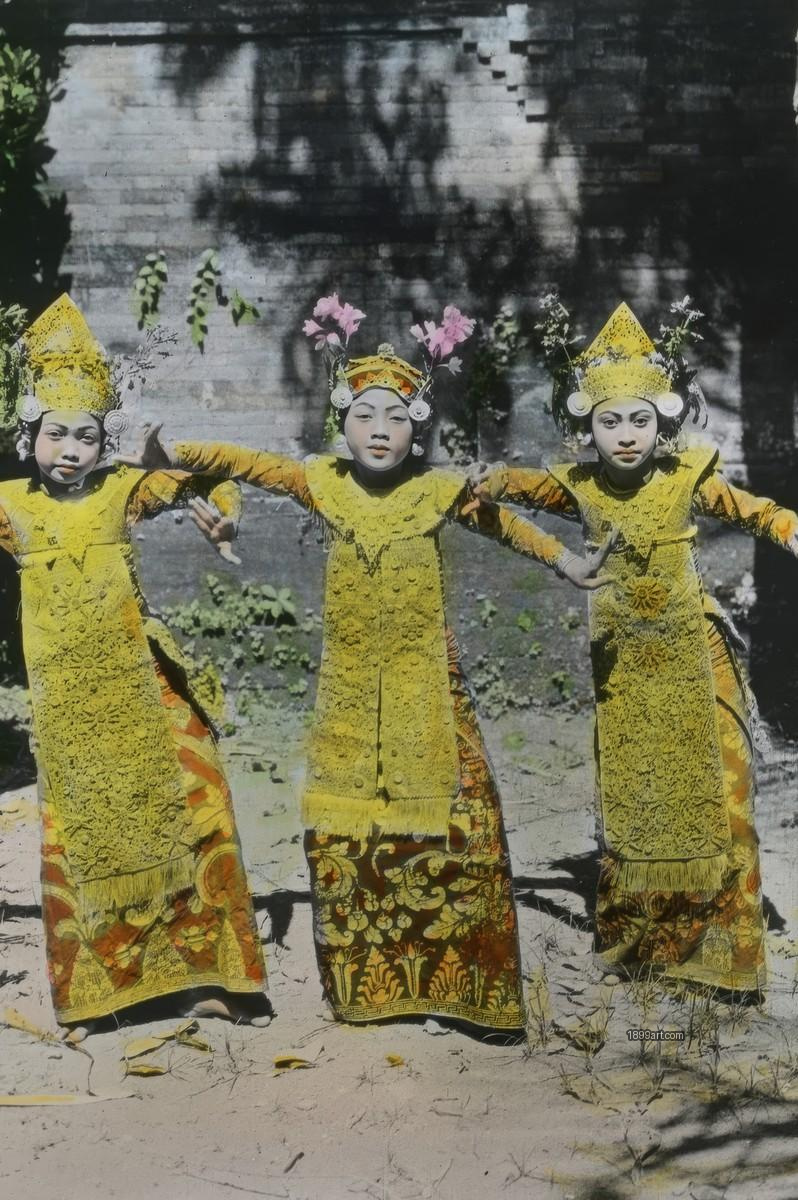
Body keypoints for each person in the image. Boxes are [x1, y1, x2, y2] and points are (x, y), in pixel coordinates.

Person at [119, 296, 612, 1035]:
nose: (379, 431)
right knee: (351, 836)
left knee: (464, 824)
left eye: (396, 418)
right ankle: (370, 990)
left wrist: (567, 562)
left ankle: (464, 992)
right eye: (364, 416)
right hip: (350, 693)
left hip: (428, 687)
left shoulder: (439, 489)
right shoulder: (321, 482)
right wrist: (173, 452)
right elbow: (246, 463)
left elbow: (502, 523)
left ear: (418, 431)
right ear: (341, 423)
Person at [472, 298, 798, 996]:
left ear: (664, 422)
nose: (626, 435)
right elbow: (510, 491)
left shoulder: (689, 478)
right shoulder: (580, 486)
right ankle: (645, 945)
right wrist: (485, 479)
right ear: (587, 425)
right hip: (623, 664)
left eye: (640, 421)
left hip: (694, 654)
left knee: (717, 791)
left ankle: (725, 955)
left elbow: (753, 510)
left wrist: (788, 528)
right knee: (637, 798)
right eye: (610, 421)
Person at [0, 294, 269, 1038]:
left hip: (146, 689)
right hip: (68, 707)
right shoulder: (9, 505)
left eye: (87, 436)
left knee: (200, 806)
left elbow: (203, 475)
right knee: (78, 841)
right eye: (56, 434)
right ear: (30, 436)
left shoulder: (124, 488)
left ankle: (215, 980)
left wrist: (224, 512)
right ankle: (98, 995)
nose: (72, 451)